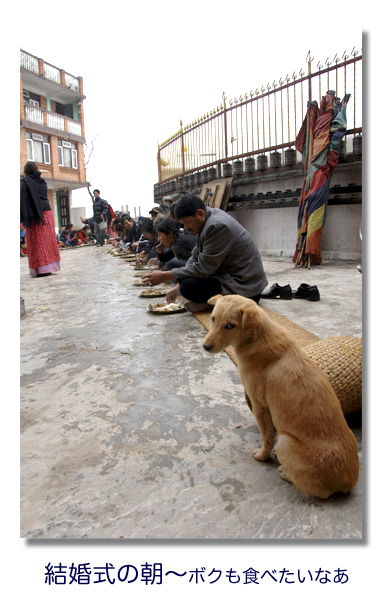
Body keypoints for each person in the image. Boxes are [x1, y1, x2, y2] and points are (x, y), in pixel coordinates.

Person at [142, 194, 268, 312]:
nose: (186, 228)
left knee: (188, 286)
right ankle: (212, 301)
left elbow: (203, 269)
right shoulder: (205, 221)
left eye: (187, 223)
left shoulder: (217, 226)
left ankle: (216, 303)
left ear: (200, 214)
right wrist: (178, 284)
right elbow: (194, 257)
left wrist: (165, 276)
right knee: (184, 283)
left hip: (244, 286)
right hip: (226, 276)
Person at [20, 161, 61, 277]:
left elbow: (23, 199)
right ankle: (48, 267)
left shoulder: (25, 183)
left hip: (33, 216)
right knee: (46, 241)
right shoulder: (42, 182)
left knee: (36, 242)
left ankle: (38, 269)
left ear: (26, 172)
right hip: (45, 214)